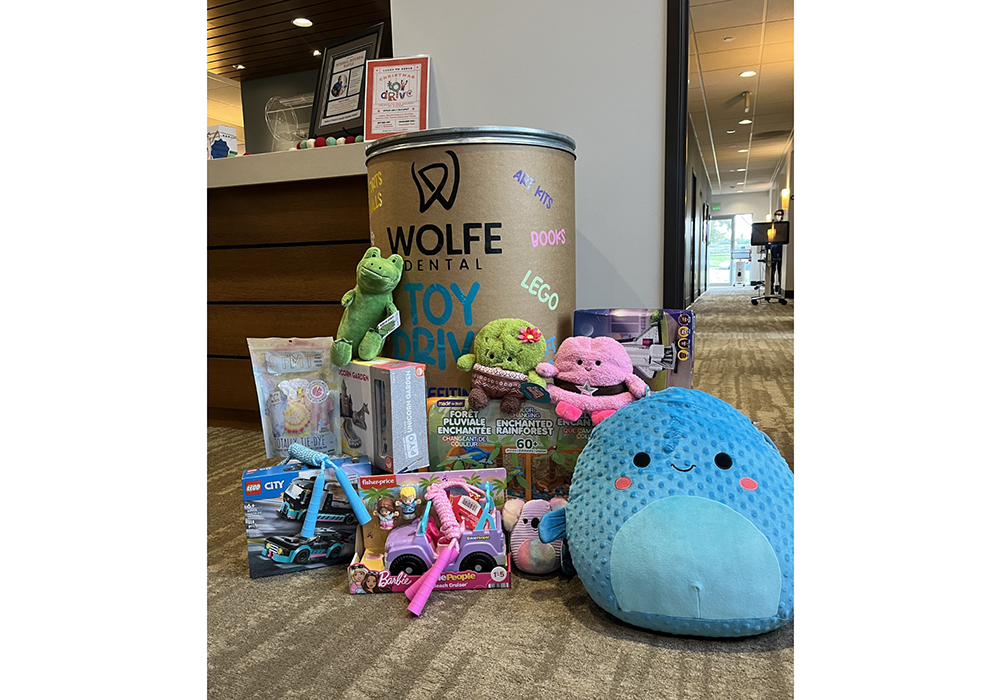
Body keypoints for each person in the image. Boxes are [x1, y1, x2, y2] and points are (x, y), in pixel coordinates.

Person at [768, 209, 784, 294]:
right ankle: (771, 288)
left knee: (780, 271)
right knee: (772, 271)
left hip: (781, 250)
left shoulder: (784, 226)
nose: (778, 216)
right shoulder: (772, 225)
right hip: (773, 250)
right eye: (776, 214)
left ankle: (781, 287)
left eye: (779, 214)